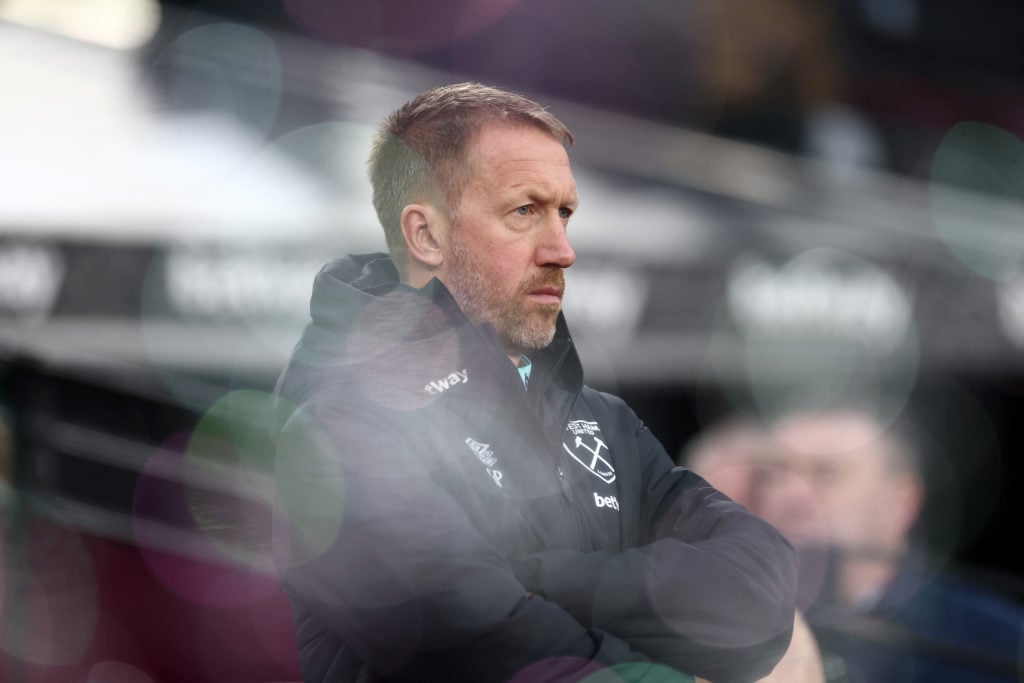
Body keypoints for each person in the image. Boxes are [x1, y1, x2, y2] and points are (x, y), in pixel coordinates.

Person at [270, 83, 798, 682]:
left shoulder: (604, 421)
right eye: (524, 212)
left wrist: (533, 577)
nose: (563, 249)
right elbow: (488, 652)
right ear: (426, 235)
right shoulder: (341, 431)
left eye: (564, 213)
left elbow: (760, 603)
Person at [755, 406, 1024, 682]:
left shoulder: (997, 642)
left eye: (826, 474)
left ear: (899, 503)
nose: (789, 495)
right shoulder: (731, 622)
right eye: (775, 475)